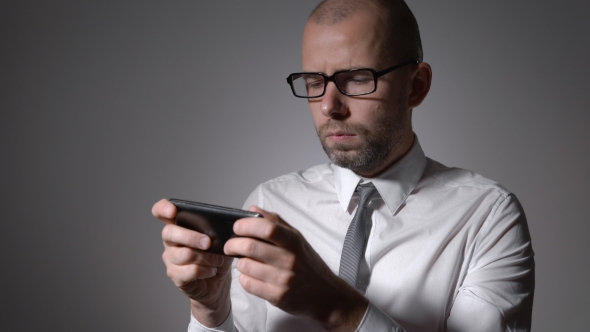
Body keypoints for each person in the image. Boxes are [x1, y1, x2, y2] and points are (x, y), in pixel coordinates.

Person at [152, 0, 535, 331]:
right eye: (314, 81)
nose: (328, 106)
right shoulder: (271, 202)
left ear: (415, 86)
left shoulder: (487, 216)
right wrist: (211, 310)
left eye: (356, 79)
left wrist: (336, 307)